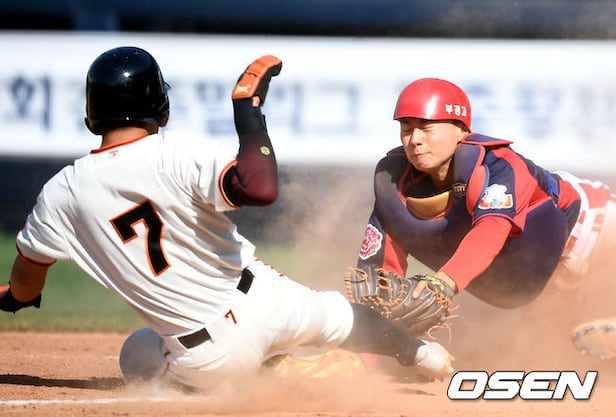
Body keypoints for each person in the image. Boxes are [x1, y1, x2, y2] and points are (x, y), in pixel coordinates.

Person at [0, 47, 453, 392]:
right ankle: (426, 356)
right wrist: (248, 115)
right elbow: (260, 188)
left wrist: (15, 299)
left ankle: (273, 374)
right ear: (160, 106)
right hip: (270, 298)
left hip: (210, 355)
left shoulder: (61, 193)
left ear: (91, 114)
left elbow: (26, 281)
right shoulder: (178, 152)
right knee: (340, 315)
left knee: (135, 352)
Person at [352, 77, 616, 359]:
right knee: (558, 353)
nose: (414, 139)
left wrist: (445, 282)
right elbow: (378, 279)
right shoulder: (393, 185)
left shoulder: (496, 165)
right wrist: (360, 353)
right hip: (545, 273)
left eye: (427, 128)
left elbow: (492, 229)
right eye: (406, 128)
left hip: (594, 223)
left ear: (460, 129)